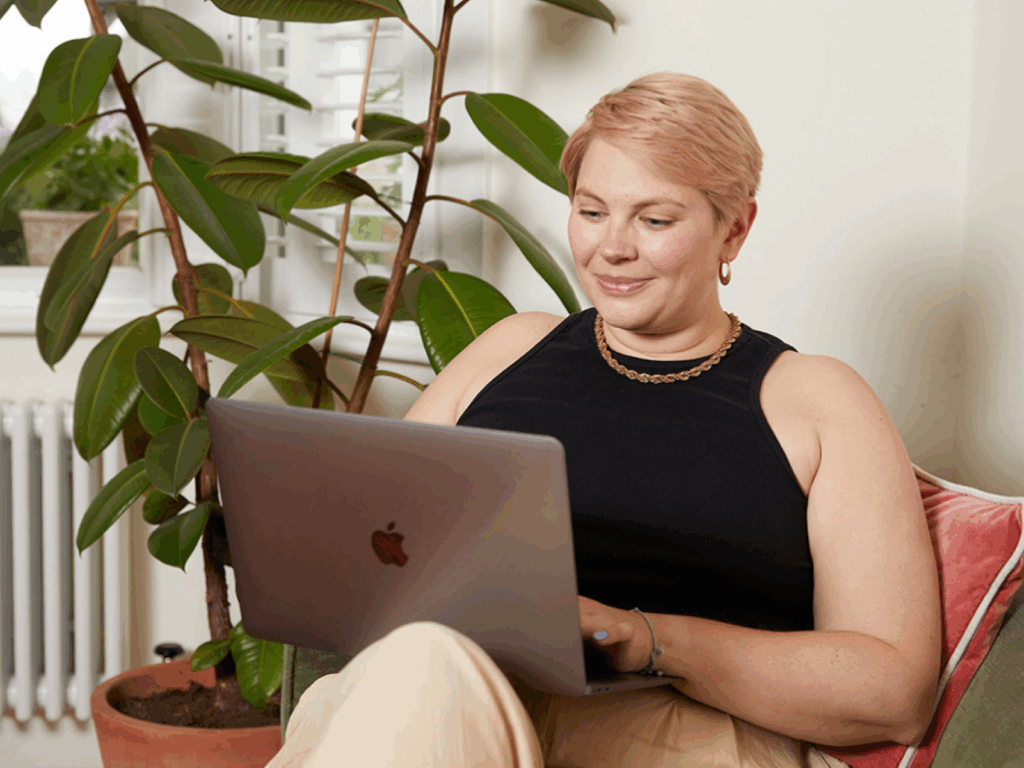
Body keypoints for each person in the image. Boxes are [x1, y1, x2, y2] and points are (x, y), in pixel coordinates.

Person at [266, 72, 942, 768]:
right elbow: (372, 538)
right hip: (451, 695)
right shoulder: (510, 347)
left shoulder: (815, 400)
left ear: (734, 229)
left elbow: (894, 690)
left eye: (654, 220)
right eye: (591, 212)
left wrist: (638, 637)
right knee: (421, 664)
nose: (611, 249)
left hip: (677, 734)